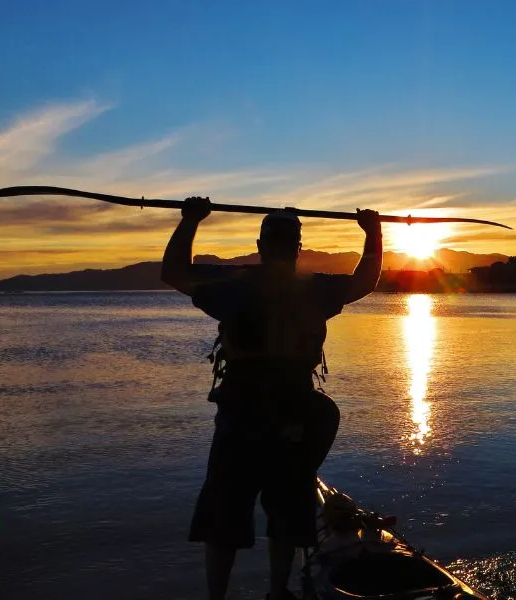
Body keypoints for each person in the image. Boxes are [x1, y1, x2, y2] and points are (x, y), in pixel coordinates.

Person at [161, 196, 383, 600]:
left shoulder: (232, 287)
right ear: (297, 250)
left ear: (261, 246)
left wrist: (190, 220)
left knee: (227, 518)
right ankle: (278, 592)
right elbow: (364, 281)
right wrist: (373, 234)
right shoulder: (316, 290)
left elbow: (173, 272)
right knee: (286, 513)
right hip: (291, 418)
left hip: (241, 418)